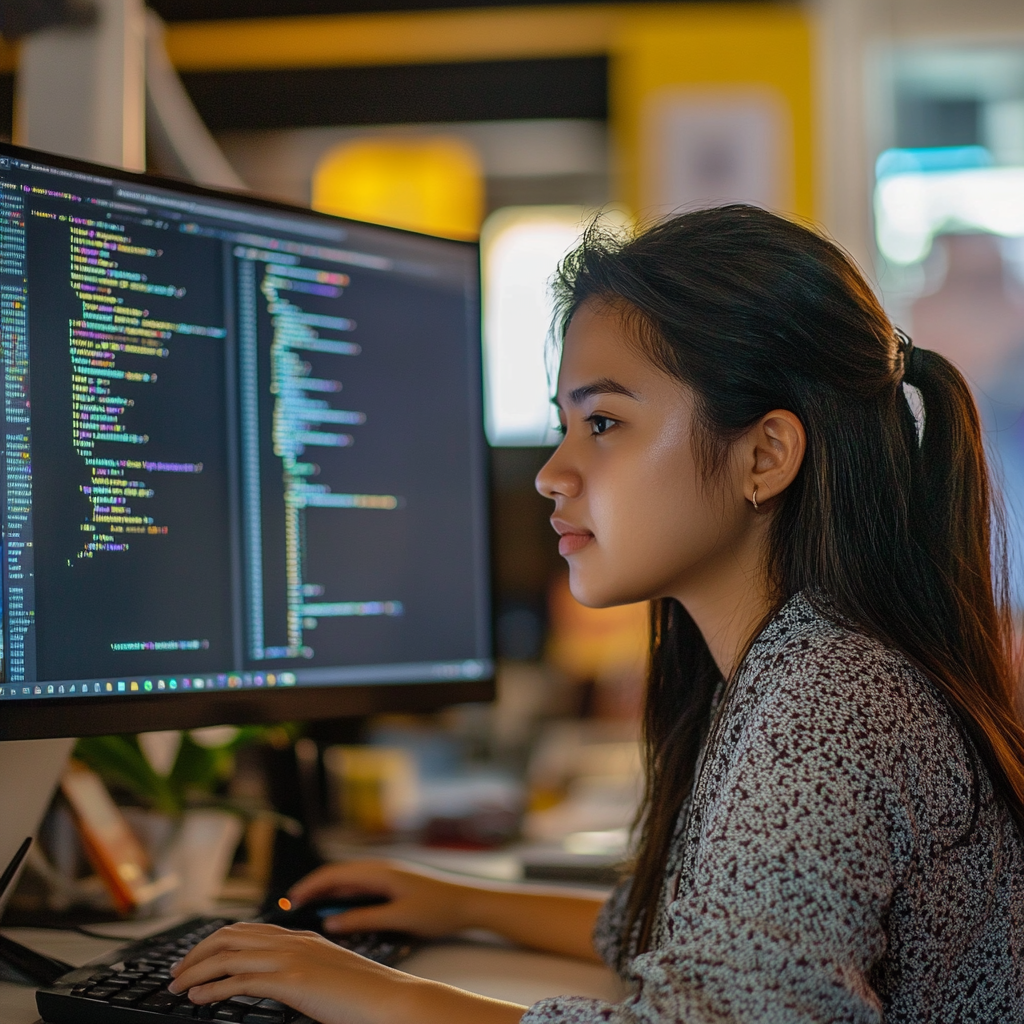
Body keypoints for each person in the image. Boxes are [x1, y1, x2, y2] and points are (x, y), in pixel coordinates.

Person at [169, 206, 1024, 1023]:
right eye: (564, 423)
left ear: (764, 455)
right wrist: (463, 902)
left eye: (604, 421)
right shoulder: (795, 669)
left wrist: (374, 995)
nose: (552, 472)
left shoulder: (830, 704)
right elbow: (697, 941)